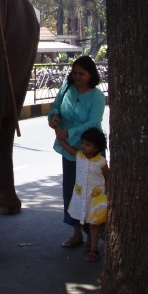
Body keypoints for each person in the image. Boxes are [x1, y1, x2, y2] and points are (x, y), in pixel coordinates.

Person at [48, 55, 106, 249]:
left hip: (90, 151)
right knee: (71, 192)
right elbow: (55, 105)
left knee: (92, 194)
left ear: (91, 75)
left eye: (82, 73)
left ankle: (93, 236)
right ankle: (76, 234)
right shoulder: (67, 88)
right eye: (74, 73)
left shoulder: (97, 96)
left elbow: (93, 122)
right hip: (68, 149)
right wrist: (54, 116)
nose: (77, 77)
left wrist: (69, 132)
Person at [54, 127, 109, 262]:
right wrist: (60, 137)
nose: (83, 146)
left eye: (88, 144)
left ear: (96, 148)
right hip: (80, 198)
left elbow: (108, 178)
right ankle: (90, 239)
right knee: (83, 221)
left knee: (94, 224)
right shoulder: (79, 156)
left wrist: (108, 194)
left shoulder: (102, 162)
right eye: (83, 143)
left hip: (95, 199)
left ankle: (94, 250)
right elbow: (67, 148)